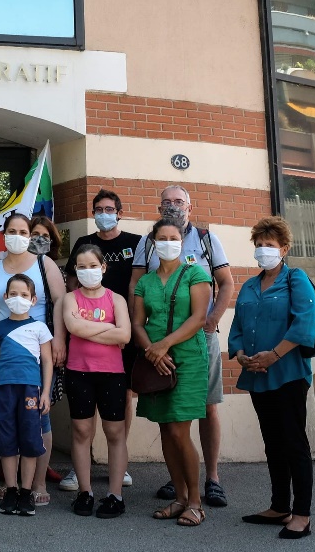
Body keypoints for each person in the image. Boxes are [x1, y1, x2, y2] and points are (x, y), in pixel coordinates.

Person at [130, 185, 236, 507]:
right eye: (167, 202)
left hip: (198, 339)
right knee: (169, 416)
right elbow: (136, 283)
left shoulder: (205, 238)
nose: (172, 206)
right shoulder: (147, 243)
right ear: (159, 207)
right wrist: (150, 343)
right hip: (156, 341)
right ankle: (180, 481)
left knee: (206, 405)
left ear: (190, 207)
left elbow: (227, 282)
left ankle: (212, 477)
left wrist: (211, 320)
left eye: (179, 201)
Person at [230, 217, 315, 539]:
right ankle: (280, 505)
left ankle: (302, 514)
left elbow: (304, 324)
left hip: (289, 374)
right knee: (272, 443)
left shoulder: (296, 279)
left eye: (270, 245)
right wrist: (240, 355)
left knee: (294, 443)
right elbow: (238, 326)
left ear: (284, 248)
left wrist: (274, 355)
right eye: (259, 245)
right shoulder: (250, 286)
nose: (264, 250)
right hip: (257, 375)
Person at [0, 212, 66, 508]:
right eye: (11, 231)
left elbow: (61, 301)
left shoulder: (44, 263)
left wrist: (59, 340)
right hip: (3, 350)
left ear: (30, 235)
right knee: (9, 420)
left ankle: (37, 482)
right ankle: (11, 483)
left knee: (40, 419)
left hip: (37, 350)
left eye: (22, 231)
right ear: (4, 235)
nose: (17, 235)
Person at [132, 217, 212, 527]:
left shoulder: (195, 273)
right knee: (165, 429)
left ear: (181, 241)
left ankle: (195, 502)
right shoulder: (145, 281)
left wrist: (163, 345)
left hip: (187, 359)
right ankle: (178, 498)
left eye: (173, 237)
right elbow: (138, 323)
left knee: (180, 430)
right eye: (161, 237)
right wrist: (153, 352)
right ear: (153, 242)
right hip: (156, 360)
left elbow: (198, 319)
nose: (168, 242)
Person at [62, 190, 141, 494]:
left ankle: (118, 468)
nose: (104, 213)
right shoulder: (84, 245)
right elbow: (72, 281)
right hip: (92, 340)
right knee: (82, 421)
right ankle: (82, 472)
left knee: (121, 406)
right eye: (98, 209)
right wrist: (95, 327)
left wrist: (116, 328)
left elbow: (139, 284)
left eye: (109, 208)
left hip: (125, 325)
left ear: (119, 212)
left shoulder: (135, 243)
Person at [59, 243, 132, 519]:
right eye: (81, 266)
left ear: (103, 267)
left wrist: (89, 330)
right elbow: (73, 327)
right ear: (75, 270)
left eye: (93, 266)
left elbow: (125, 336)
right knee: (81, 432)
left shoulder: (117, 300)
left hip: (112, 373)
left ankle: (115, 495)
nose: (88, 271)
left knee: (115, 433)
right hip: (79, 372)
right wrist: (110, 329)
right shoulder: (70, 299)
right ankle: (85, 492)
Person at [0, 273, 54, 517]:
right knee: (6, 441)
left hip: (30, 390)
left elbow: (47, 361)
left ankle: (26, 492)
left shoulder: (40, 327)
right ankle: (11, 489)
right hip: (4, 390)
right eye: (13, 294)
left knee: (29, 441)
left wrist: (46, 392)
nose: (18, 298)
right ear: (5, 297)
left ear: (33, 299)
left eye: (24, 295)